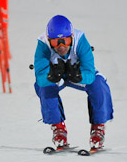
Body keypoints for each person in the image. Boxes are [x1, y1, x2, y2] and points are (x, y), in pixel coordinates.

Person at [34, 15, 113, 150]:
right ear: (49, 40)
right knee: (45, 88)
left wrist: (77, 76)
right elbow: (40, 78)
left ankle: (98, 128)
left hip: (76, 74)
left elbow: (90, 73)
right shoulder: (43, 44)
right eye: (55, 42)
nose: (60, 47)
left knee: (99, 84)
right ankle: (58, 128)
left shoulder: (80, 40)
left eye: (64, 41)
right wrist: (51, 76)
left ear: (71, 37)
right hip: (57, 77)